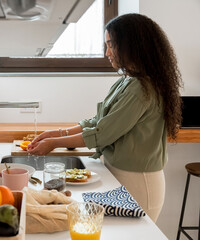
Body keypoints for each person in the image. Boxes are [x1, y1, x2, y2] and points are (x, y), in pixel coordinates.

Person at [27, 13, 183, 222]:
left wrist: (54, 143)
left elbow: (103, 133)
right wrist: (54, 134)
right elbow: (97, 122)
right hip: (122, 175)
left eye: (111, 45)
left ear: (131, 45)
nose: (107, 52)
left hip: (139, 182)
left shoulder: (141, 88)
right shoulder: (128, 81)